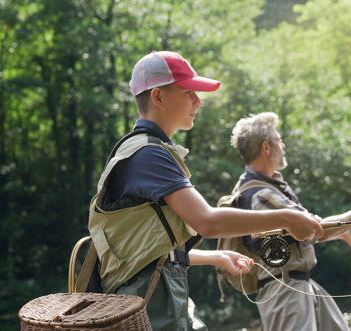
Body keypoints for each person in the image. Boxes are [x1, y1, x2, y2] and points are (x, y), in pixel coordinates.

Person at [87, 51, 324, 331]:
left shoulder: (144, 150)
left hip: (156, 295)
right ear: (158, 98)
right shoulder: (149, 154)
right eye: (189, 92)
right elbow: (208, 222)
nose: (198, 101)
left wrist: (216, 256)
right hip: (149, 301)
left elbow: (147, 249)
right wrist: (286, 218)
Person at [229, 112, 351, 331]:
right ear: (266, 148)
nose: (283, 146)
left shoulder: (268, 189)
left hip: (299, 285)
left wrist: (343, 232)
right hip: (285, 290)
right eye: (279, 141)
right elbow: (312, 230)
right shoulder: (261, 194)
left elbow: (305, 232)